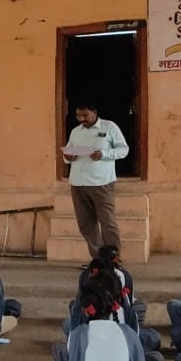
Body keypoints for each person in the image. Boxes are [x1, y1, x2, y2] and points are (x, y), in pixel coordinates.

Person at [62, 100, 128, 259]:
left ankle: (114, 259)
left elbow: (123, 149)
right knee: (86, 224)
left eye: (85, 115)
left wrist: (104, 155)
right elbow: (67, 155)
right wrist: (68, 157)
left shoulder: (109, 127)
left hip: (101, 183)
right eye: (78, 116)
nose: (81, 119)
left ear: (95, 112)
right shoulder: (76, 131)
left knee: (107, 223)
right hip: (78, 183)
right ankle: (98, 259)